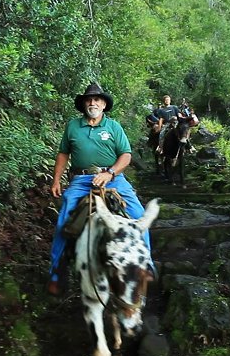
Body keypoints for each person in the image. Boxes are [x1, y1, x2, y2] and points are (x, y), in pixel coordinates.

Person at [47, 82, 153, 296]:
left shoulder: (113, 127)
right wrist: (56, 180)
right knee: (64, 220)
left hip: (113, 178)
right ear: (84, 104)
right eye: (89, 99)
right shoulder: (73, 126)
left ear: (104, 104)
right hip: (81, 179)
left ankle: (146, 265)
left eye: (97, 99)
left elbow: (126, 155)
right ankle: (56, 273)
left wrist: (110, 173)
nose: (93, 102)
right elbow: (63, 154)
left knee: (139, 216)